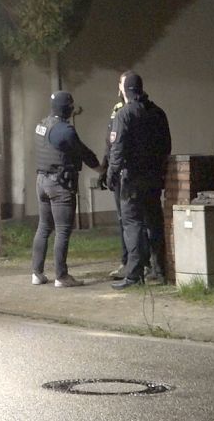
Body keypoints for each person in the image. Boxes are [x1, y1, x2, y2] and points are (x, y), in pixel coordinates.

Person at [106, 72, 171, 289]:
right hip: (153, 178)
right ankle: (160, 269)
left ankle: (134, 275)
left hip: (132, 178)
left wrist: (111, 175)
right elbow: (166, 146)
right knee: (154, 223)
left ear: (125, 90)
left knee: (132, 224)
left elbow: (117, 149)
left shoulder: (124, 114)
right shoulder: (158, 113)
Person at [31, 91, 102, 288]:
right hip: (59, 184)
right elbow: (84, 153)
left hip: (41, 181)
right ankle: (61, 276)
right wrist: (101, 169)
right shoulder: (64, 130)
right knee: (62, 230)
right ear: (67, 108)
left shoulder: (41, 125)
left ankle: (36, 273)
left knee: (44, 227)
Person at [98, 79, 126, 279]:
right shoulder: (117, 109)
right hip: (119, 173)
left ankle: (134, 263)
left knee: (132, 220)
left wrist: (109, 170)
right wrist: (104, 168)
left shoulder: (130, 111)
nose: (119, 87)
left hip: (128, 174)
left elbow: (116, 145)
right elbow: (110, 142)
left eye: (122, 83)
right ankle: (128, 261)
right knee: (124, 219)